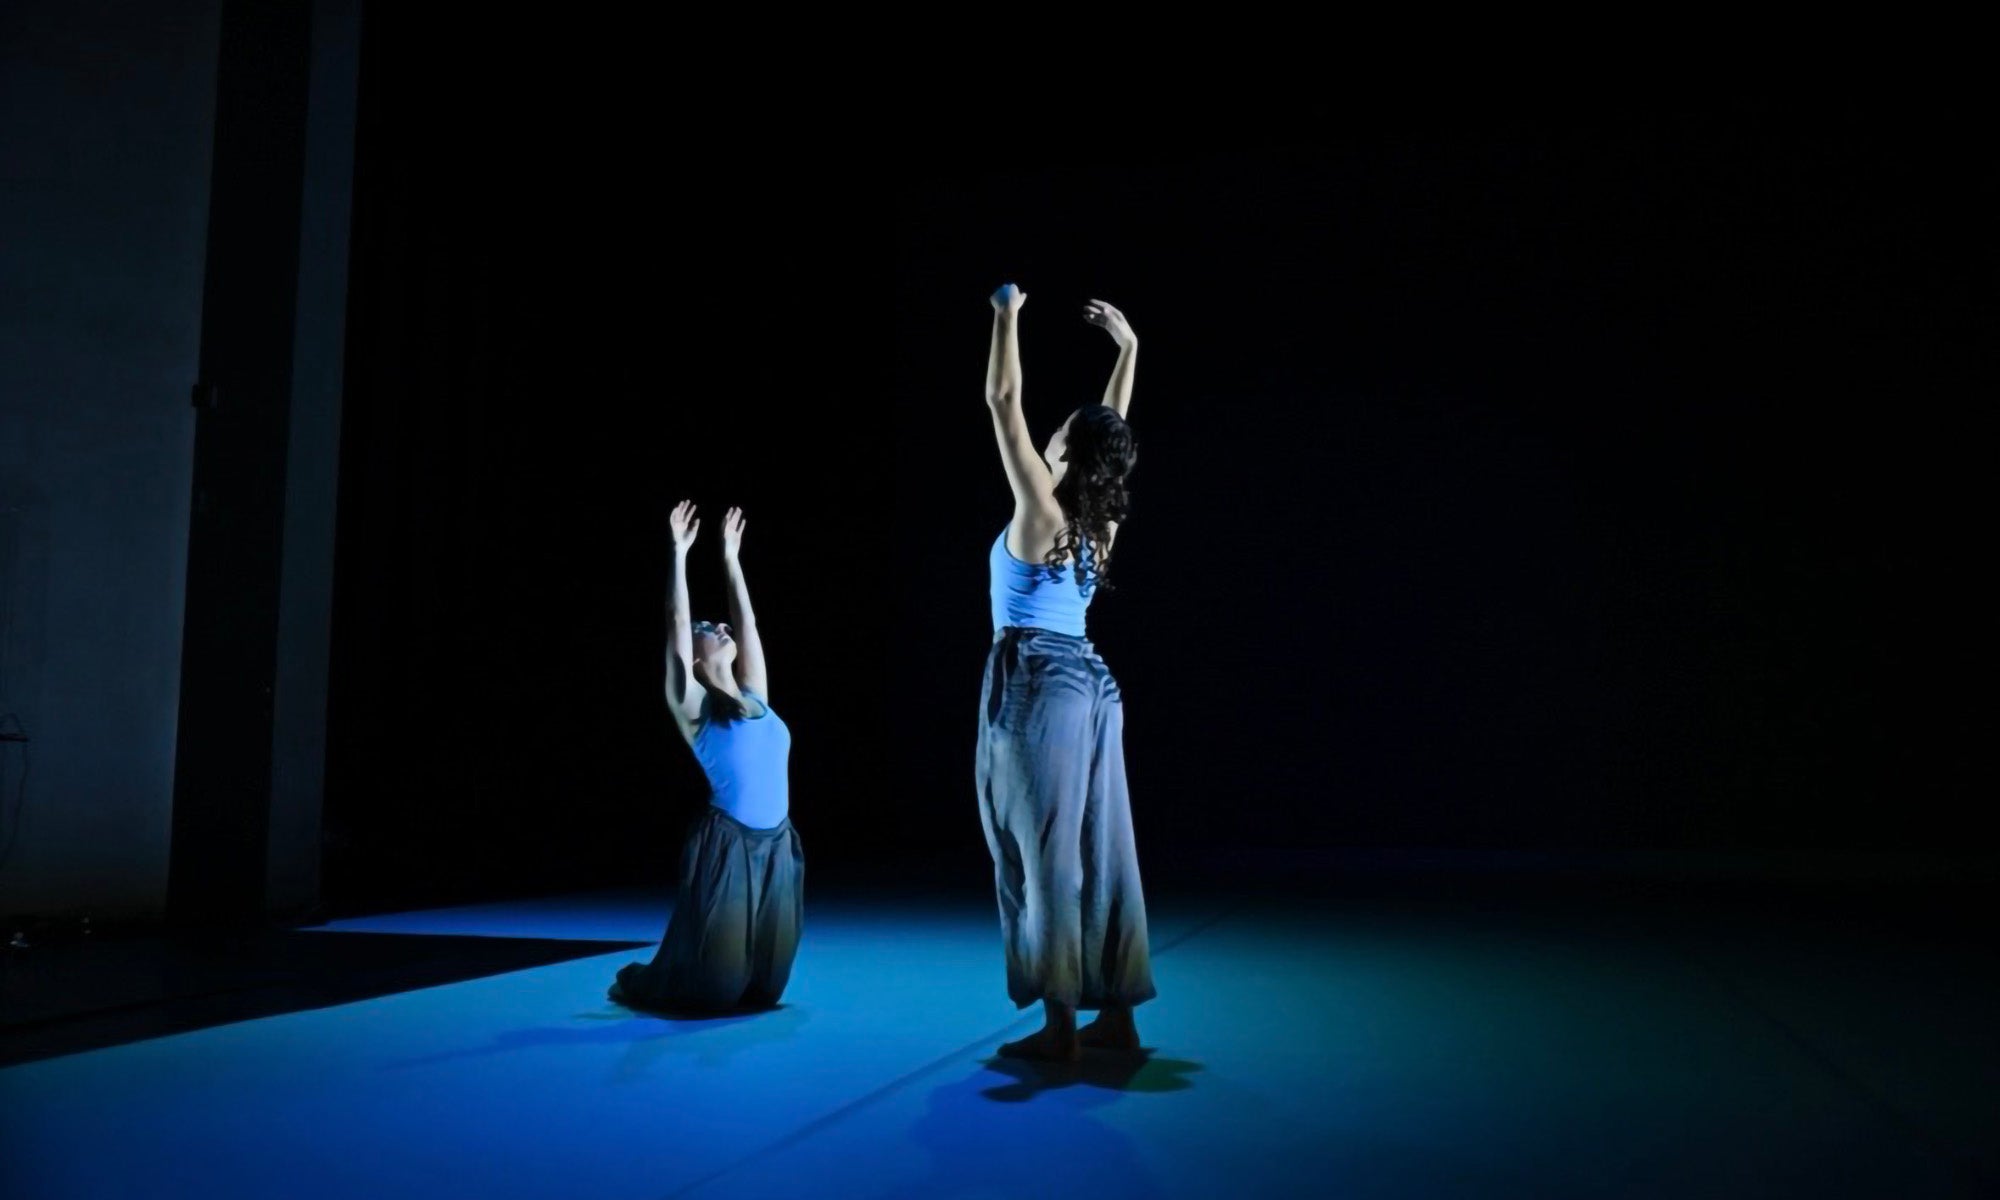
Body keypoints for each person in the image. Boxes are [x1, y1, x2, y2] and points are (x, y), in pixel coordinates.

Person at [976, 283, 1155, 1061]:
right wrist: (1129, 351)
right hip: (1093, 686)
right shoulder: (1099, 518)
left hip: (1040, 686)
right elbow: (1109, 434)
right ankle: (1115, 1014)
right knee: (1102, 848)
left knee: (1043, 853)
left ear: (1064, 451)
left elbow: (1001, 397)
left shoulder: (1041, 512)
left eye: (1060, 430)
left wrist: (1006, 314)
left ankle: (1059, 1027)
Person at [610, 502, 803, 1014]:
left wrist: (731, 557)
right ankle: (639, 983)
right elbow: (676, 620)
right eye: (707, 626)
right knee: (714, 993)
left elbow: (749, 619)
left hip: (777, 843)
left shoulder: (756, 695)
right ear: (695, 658)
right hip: (729, 846)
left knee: (766, 990)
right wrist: (679, 553)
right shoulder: (693, 707)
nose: (718, 625)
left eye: (717, 623)